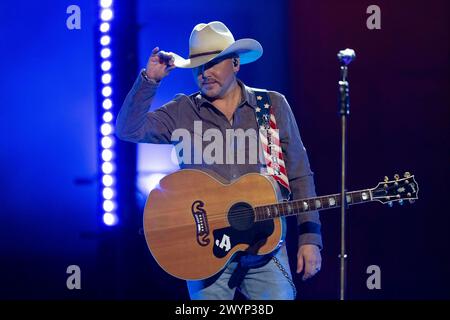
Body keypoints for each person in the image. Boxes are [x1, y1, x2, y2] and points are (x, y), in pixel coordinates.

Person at [116, 21, 322, 300]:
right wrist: (149, 80)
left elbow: (299, 175)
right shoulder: (182, 111)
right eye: (198, 66)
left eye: (213, 63)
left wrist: (310, 239)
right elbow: (128, 129)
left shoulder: (271, 106)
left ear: (236, 63)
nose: (204, 73)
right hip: (202, 249)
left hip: (265, 247)